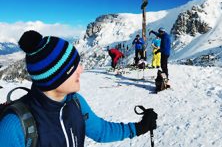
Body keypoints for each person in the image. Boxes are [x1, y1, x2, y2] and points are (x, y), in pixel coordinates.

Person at [1, 30, 158, 146]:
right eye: (73, 66)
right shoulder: (14, 125)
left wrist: (138, 127)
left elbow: (101, 131)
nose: (81, 70)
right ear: (54, 77)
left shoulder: (75, 102)